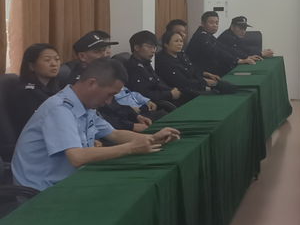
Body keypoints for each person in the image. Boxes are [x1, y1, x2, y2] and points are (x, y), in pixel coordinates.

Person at [11, 58, 181, 190]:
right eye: (109, 94)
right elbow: (77, 157)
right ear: (91, 83)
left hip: (69, 180)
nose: (109, 102)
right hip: (41, 191)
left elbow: (114, 134)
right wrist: (130, 148)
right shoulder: (59, 109)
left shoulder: (85, 105)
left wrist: (151, 138)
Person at [64, 31, 155, 132]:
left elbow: (114, 106)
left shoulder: (101, 74)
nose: (104, 55)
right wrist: (131, 126)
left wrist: (136, 116)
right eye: (98, 52)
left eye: (104, 50)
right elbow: (100, 116)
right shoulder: (79, 83)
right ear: (82, 56)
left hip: (116, 126)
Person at [156, 30, 234, 95]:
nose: (180, 44)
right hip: (184, 93)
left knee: (226, 88)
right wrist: (204, 81)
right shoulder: (164, 62)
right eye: (176, 41)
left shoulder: (180, 56)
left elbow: (192, 68)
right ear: (166, 44)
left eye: (181, 41)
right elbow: (183, 82)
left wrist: (206, 74)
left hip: (195, 86)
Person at [10, 44, 62, 136]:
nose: (54, 64)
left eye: (57, 59)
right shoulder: (25, 94)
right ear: (31, 66)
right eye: (47, 60)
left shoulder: (55, 89)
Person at [186, 11, 256, 76]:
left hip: (210, 71)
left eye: (216, 23)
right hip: (200, 74)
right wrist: (237, 60)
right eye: (211, 22)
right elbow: (216, 51)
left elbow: (224, 48)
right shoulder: (200, 37)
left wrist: (245, 57)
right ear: (202, 23)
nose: (214, 25)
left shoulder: (209, 36)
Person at [125, 31, 183, 106]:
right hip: (155, 105)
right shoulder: (133, 68)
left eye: (154, 47)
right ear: (136, 48)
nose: (153, 51)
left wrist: (171, 91)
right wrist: (169, 94)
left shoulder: (145, 63)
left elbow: (158, 83)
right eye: (149, 47)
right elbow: (143, 94)